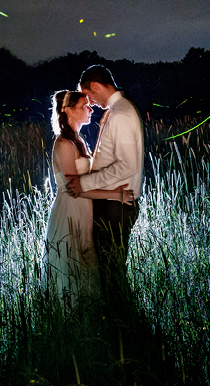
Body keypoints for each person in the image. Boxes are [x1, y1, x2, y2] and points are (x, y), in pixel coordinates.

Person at [40, 89, 134, 311]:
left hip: (84, 211)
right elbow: (76, 189)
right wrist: (116, 195)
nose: (91, 109)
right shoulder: (63, 144)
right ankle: (69, 317)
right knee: (72, 262)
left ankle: (89, 314)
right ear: (69, 111)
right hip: (71, 210)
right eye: (85, 106)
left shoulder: (78, 141)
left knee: (85, 260)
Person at [65, 65, 143, 308]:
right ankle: (118, 320)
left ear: (96, 86)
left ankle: (121, 324)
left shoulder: (120, 113)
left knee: (111, 272)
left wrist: (84, 182)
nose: (90, 102)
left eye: (88, 95)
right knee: (109, 270)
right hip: (111, 203)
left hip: (115, 207)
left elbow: (126, 166)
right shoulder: (116, 110)